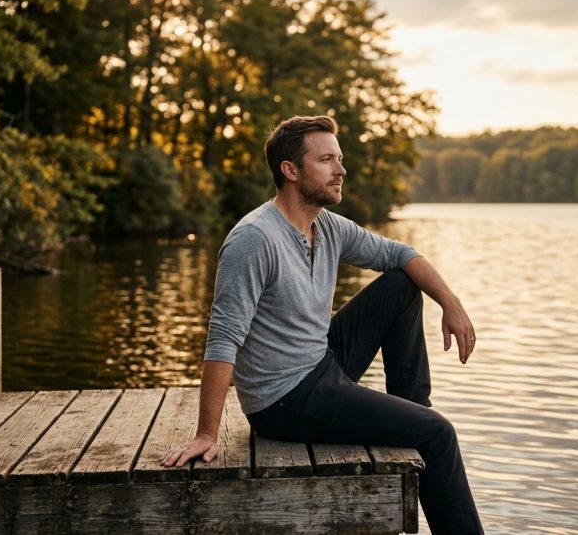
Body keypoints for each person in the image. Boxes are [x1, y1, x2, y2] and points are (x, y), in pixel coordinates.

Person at [160, 115, 484, 534]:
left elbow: (402, 254)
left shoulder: (325, 225)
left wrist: (451, 303)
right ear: (290, 171)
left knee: (402, 285)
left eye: (340, 159)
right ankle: (421, 428)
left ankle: (412, 411)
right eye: (327, 160)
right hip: (284, 402)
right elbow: (223, 336)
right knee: (439, 434)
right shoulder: (254, 239)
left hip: (322, 363)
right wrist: (206, 433)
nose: (341, 170)